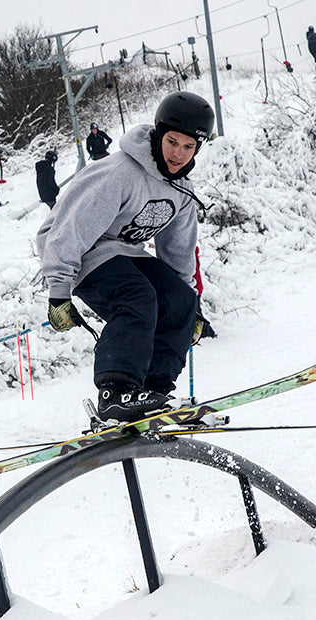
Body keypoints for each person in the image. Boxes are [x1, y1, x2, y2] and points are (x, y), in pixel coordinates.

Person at [38, 90, 212, 422]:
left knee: (178, 299)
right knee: (137, 296)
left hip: (122, 251)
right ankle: (116, 392)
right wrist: (58, 290)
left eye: (188, 147)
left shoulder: (182, 191)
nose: (178, 153)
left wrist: (190, 307)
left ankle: (152, 390)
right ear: (160, 133)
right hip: (75, 248)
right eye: (172, 142)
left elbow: (178, 251)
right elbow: (72, 226)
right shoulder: (119, 172)